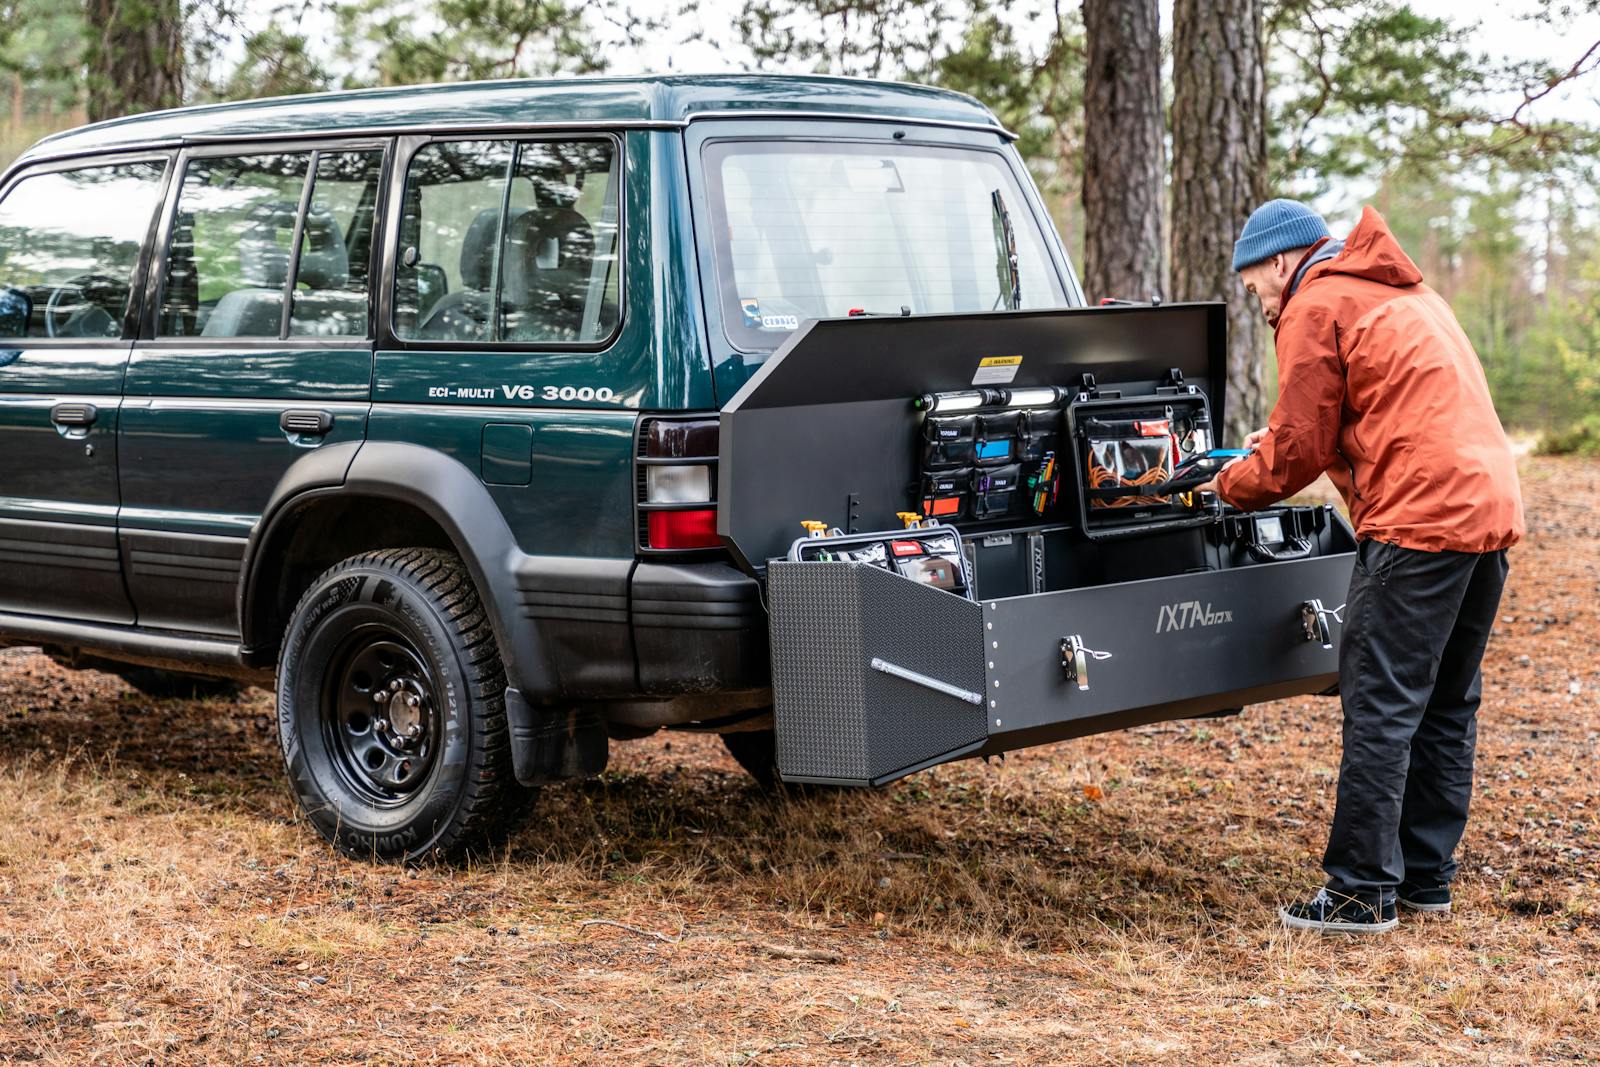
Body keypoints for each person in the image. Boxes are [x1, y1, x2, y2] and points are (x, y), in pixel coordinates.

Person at [1196, 199, 1525, 935]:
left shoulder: (1317, 301)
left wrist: (1226, 482)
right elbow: (1375, 409)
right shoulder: (1400, 290)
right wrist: (1278, 442)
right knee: (1444, 699)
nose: (1257, 300)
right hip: (1488, 508)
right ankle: (1425, 880)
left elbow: (1294, 459)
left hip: (1420, 519)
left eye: (1254, 286)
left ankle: (1358, 893)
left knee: (1378, 701)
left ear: (1281, 261)